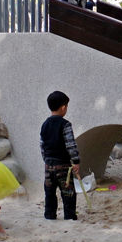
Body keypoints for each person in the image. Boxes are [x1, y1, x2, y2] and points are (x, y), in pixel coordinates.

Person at [40, 91, 81, 221]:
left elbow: (41, 145)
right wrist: (76, 161)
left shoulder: (44, 124)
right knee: (68, 192)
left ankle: (50, 215)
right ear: (63, 107)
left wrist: (46, 159)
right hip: (63, 165)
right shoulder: (65, 124)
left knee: (49, 192)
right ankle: (69, 216)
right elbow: (70, 144)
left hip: (48, 165)